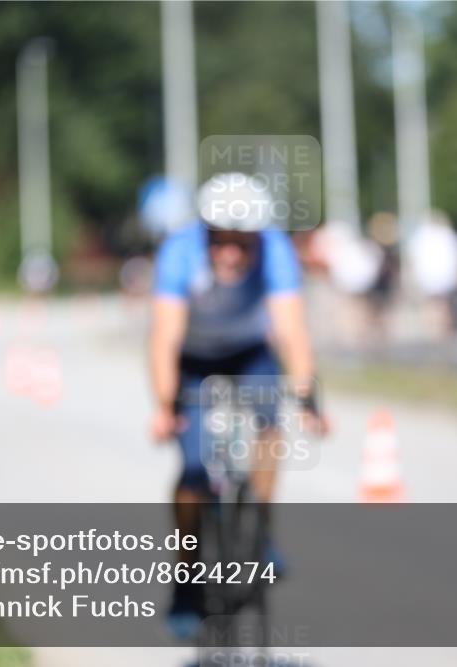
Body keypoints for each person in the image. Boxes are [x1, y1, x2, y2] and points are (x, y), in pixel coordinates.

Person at [148, 173, 327, 638]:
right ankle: (186, 583)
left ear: (256, 239)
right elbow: (164, 338)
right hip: (193, 357)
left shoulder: (277, 251)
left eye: (242, 244)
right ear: (204, 236)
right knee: (191, 470)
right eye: (219, 242)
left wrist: (307, 397)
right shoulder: (178, 252)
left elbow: (291, 332)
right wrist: (165, 406)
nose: (230, 254)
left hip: (249, 353)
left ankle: (261, 528)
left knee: (271, 427)